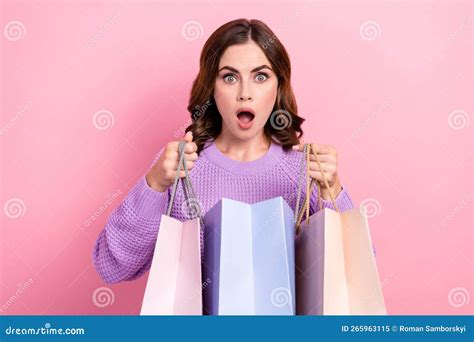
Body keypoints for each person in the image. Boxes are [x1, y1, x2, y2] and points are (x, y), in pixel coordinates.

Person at [92, 18, 355, 284]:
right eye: (229, 77)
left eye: (260, 76)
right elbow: (112, 267)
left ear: (278, 87)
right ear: (212, 88)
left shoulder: (306, 170)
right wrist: (154, 184)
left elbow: (354, 276)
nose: (245, 93)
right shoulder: (180, 168)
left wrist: (332, 190)